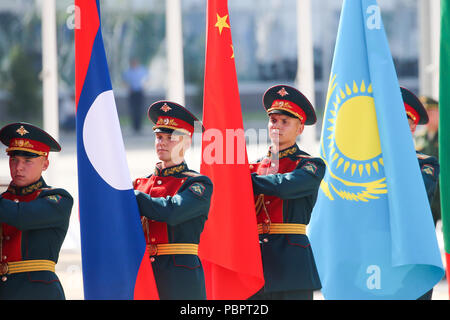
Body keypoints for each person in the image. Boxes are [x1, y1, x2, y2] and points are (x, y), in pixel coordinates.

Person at [248, 85, 325, 300]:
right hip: (255, 263)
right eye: (273, 120)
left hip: (292, 264)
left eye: (285, 122)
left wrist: (248, 181)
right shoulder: (252, 168)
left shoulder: (311, 165)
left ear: (300, 129)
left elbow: (285, 186)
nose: (277, 127)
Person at [133, 101, 213, 300]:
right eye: (159, 137)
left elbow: (172, 211)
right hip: (145, 276)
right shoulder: (140, 184)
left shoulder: (198, 183)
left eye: (170, 138)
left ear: (186, 143)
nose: (162, 142)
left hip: (181, 280)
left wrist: (131, 197)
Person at [0, 122, 73, 300]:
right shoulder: (4, 201)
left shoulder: (58, 199)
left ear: (45, 164)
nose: (18, 168)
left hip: (38, 292)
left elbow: (21, 216)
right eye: (14, 159)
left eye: (27, 161)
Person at [400, 87, 440, 301]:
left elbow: (416, 194)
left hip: (413, 252)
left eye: (401, 120)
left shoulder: (426, 163)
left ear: (413, 125)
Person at [415, 95, 440, 226]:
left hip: (444, 193)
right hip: (428, 193)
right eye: (426, 113)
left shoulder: (445, 136)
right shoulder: (418, 138)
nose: (428, 117)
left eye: (431, 112)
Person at [122, 58, 148, 133]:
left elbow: (147, 79)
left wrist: (145, 86)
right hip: (132, 92)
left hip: (140, 92)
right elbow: (124, 81)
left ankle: (139, 126)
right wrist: (127, 87)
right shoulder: (128, 72)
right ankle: (134, 126)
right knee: (133, 109)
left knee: (140, 109)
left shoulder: (142, 70)